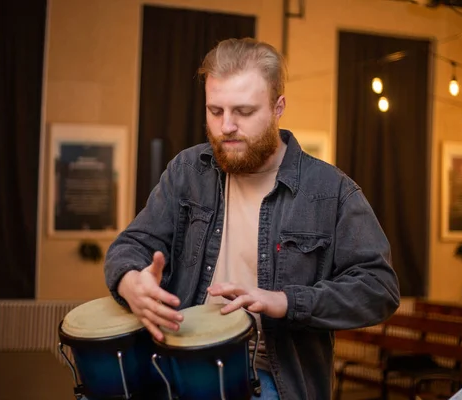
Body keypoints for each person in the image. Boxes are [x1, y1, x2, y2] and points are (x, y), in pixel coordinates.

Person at [104, 37, 400, 400]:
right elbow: (131, 245)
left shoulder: (331, 190)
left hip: (269, 375)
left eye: (243, 112)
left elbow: (378, 289)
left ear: (278, 108)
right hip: (177, 360)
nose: (226, 126)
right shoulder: (186, 171)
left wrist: (288, 302)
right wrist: (130, 281)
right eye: (215, 111)